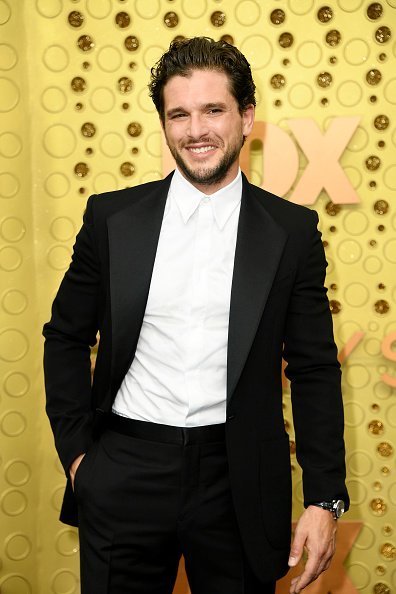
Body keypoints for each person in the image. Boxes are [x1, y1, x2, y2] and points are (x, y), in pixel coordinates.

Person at [43, 37, 349, 594]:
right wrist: (80, 457)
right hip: (124, 471)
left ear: (246, 118)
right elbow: (64, 335)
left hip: (238, 481)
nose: (195, 129)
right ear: (164, 124)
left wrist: (324, 497)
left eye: (213, 110)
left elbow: (314, 369)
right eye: (178, 114)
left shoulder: (292, 233)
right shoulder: (112, 219)